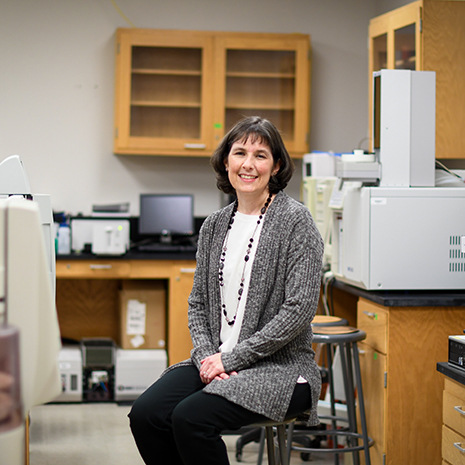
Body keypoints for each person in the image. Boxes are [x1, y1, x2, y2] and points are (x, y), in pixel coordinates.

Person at [129, 116, 324, 465]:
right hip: (216, 359)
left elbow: (299, 310)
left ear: (276, 165)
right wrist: (209, 359)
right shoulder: (215, 225)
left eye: (261, 155)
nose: (248, 164)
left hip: (280, 367)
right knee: (146, 415)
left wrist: (233, 359)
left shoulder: (296, 222)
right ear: (226, 162)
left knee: (191, 419)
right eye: (240, 153)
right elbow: (198, 304)